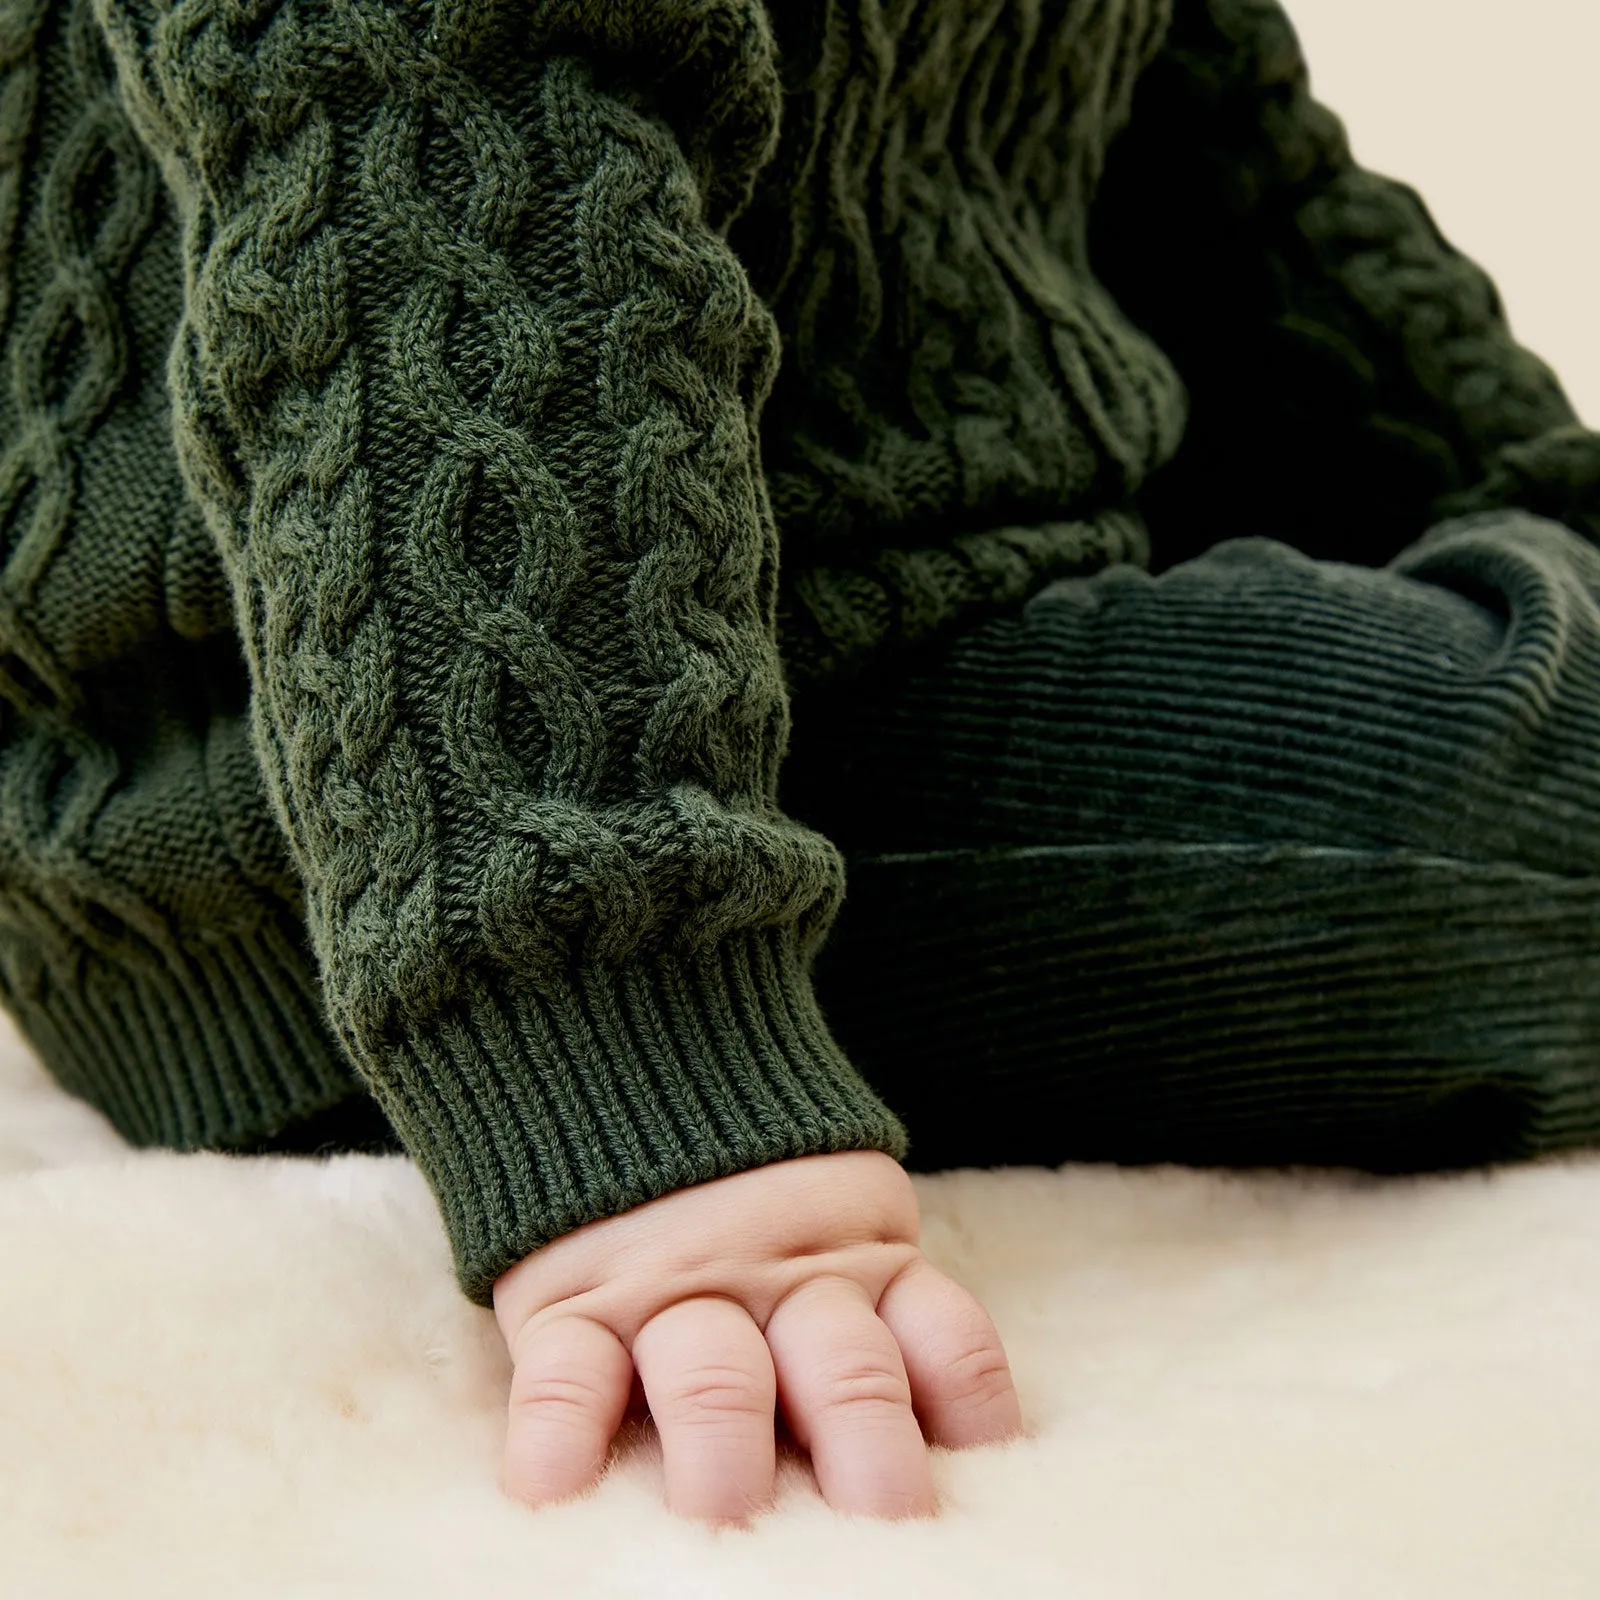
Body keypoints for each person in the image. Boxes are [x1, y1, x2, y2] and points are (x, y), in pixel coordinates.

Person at [4, 0, 1599, 1525]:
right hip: (406, 781)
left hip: (857, 590)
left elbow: (1213, 153)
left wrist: (1528, 482)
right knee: (1514, 801)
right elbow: (428, 147)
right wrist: (618, 1021)